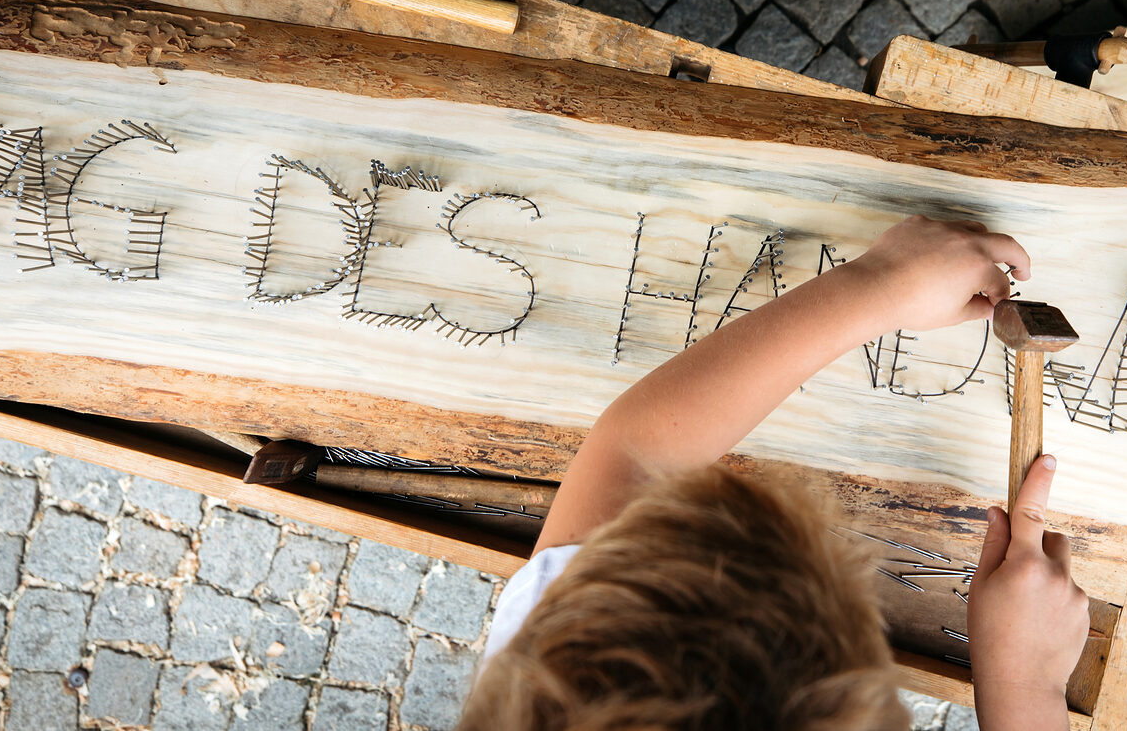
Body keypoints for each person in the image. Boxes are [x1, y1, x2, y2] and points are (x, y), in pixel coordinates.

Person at [459, 215, 1090, 731]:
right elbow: (633, 454)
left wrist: (881, 283)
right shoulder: (551, 683)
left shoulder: (557, 680)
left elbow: (632, 452)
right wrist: (1024, 687)